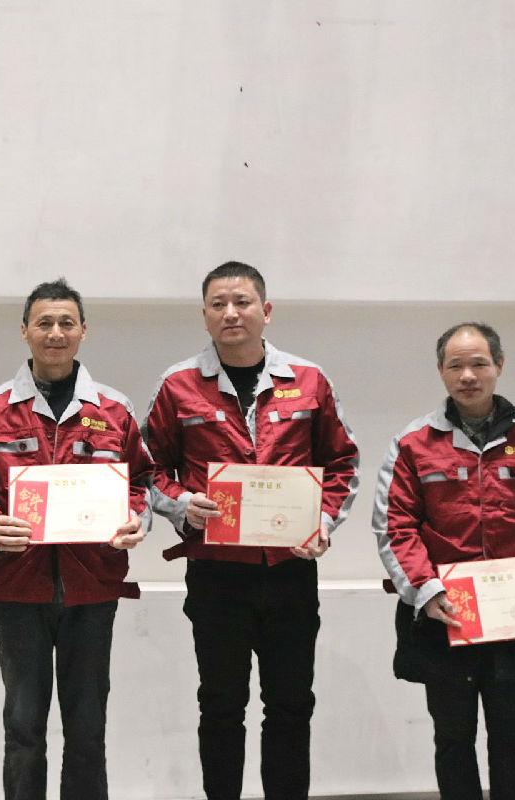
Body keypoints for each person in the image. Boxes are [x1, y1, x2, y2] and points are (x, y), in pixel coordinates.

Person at [144, 261, 359, 800]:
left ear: (266, 311)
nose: (231, 313)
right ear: (204, 315)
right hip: (217, 574)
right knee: (221, 704)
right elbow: (149, 470)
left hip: (290, 571)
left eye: (242, 302)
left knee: (290, 705)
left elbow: (343, 464)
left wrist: (323, 521)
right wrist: (181, 505)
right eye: (218, 304)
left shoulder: (309, 381)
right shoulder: (177, 385)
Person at [0, 278, 151, 800]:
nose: (55, 333)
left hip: (93, 589)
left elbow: (142, 485)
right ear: (24, 331)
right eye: (44, 323)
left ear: (83, 331)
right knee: (23, 729)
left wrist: (137, 520)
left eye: (66, 323)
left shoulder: (115, 409)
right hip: (18, 591)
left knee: (87, 729)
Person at [371, 322, 515, 800]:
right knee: (453, 741)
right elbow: (394, 527)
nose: (468, 375)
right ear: (441, 371)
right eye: (456, 366)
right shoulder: (413, 443)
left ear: (499, 366)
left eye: (479, 364)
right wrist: (426, 590)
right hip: (445, 616)